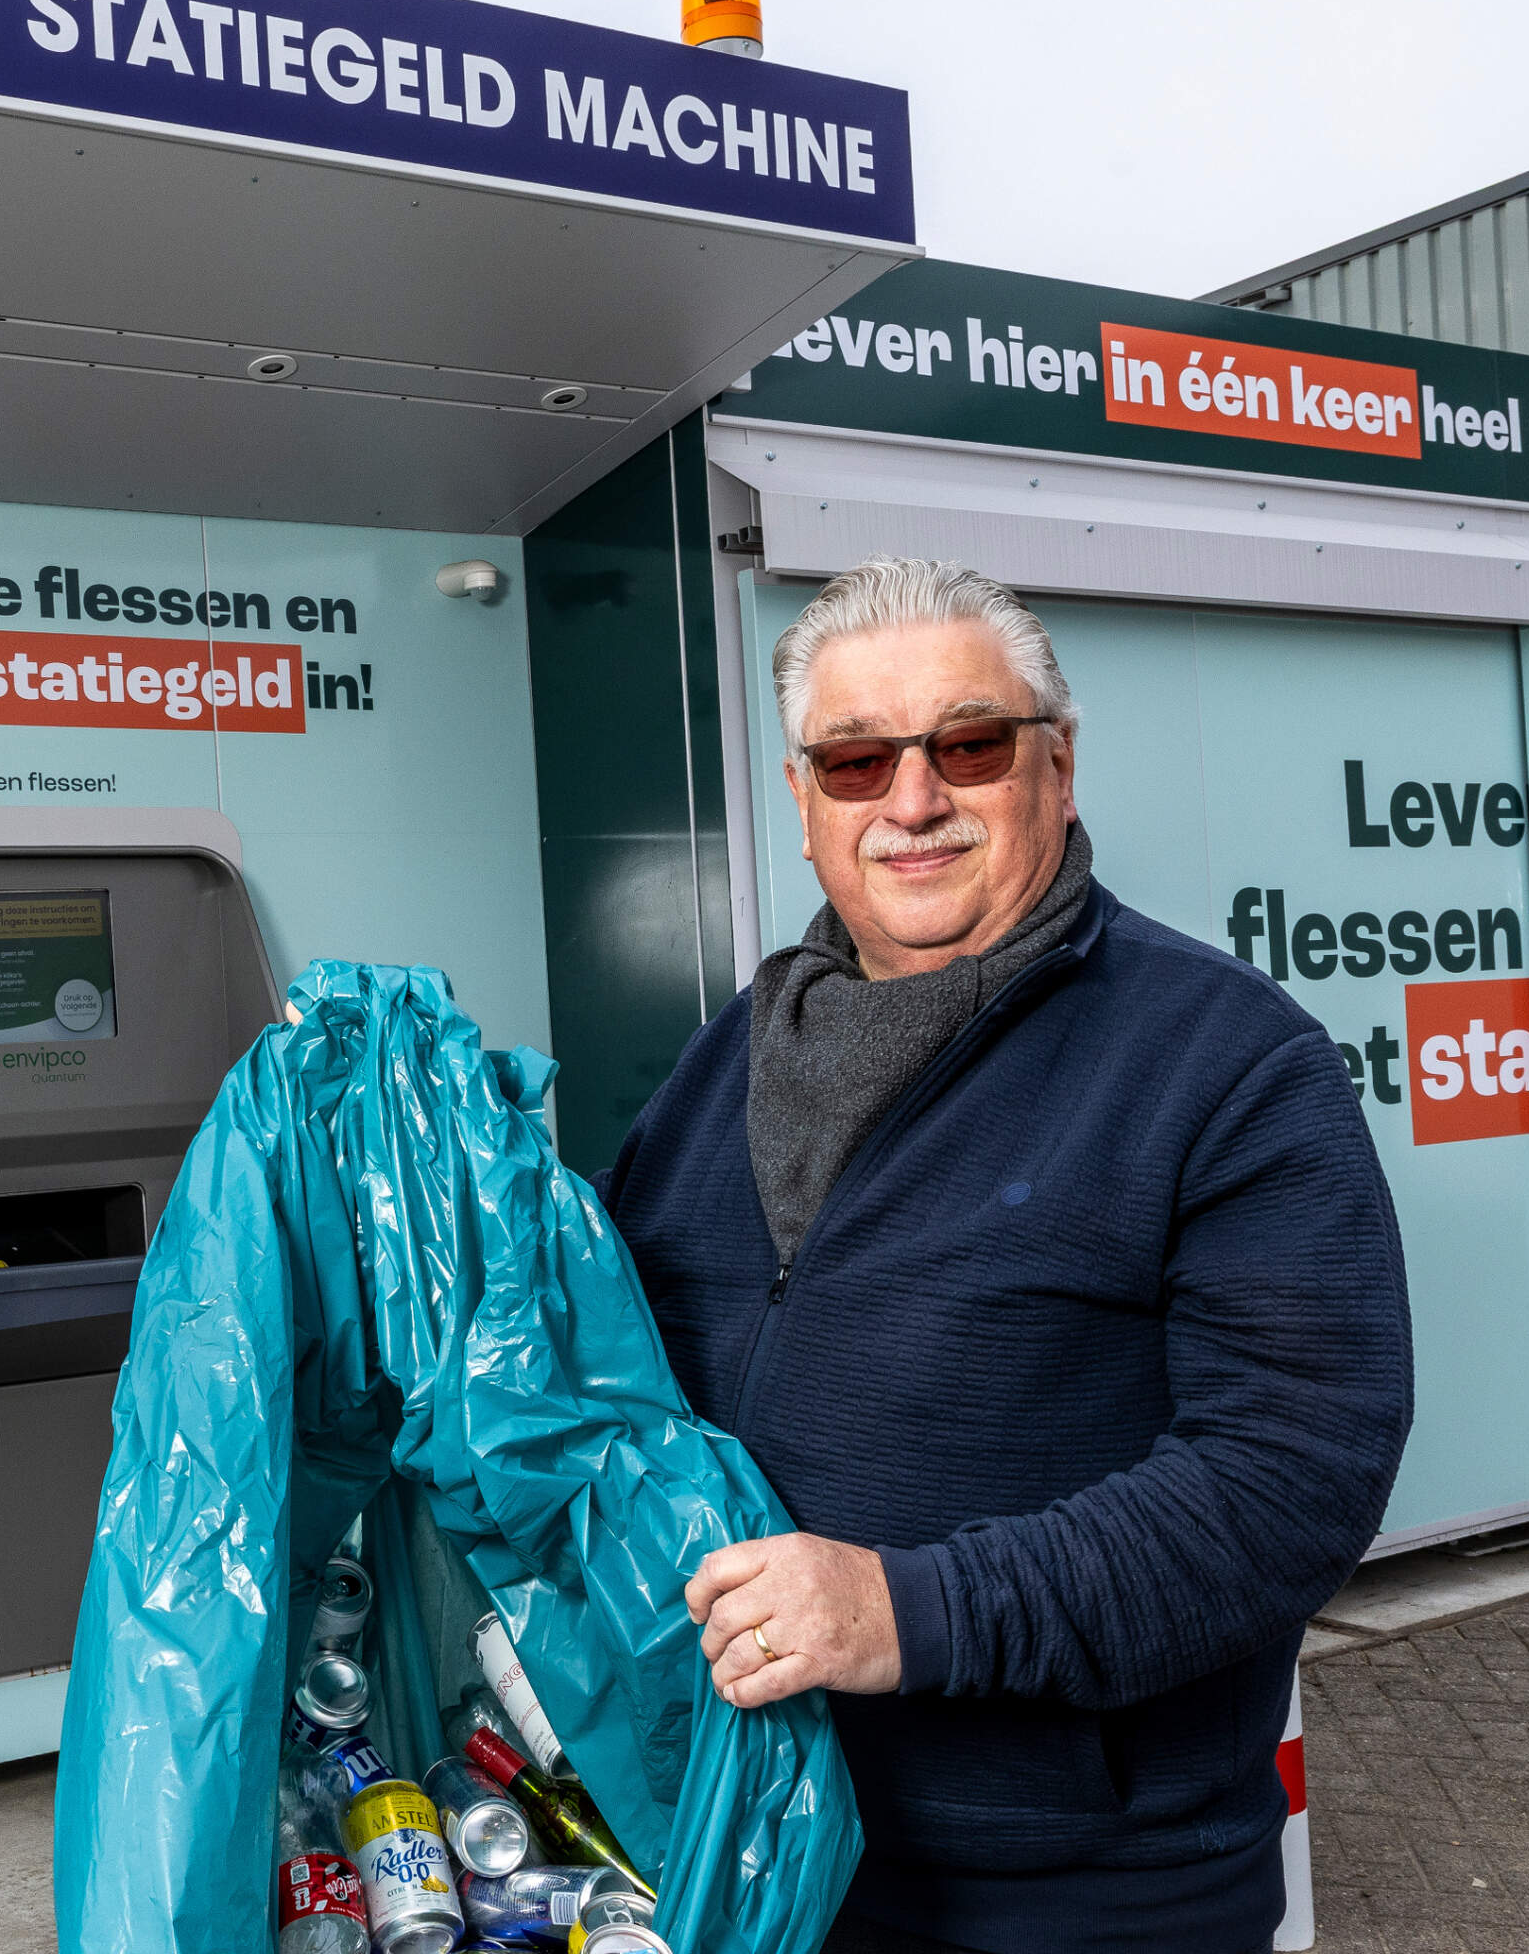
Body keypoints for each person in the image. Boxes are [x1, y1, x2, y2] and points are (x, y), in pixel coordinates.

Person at [596, 558, 1411, 1953]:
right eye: (855, 762)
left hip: (1078, 1895)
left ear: (1058, 764)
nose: (911, 800)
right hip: (747, 1852)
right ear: (803, 805)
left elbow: (1293, 1473)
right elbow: (605, 1358)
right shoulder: (727, 1060)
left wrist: (907, 1612)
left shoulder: (1222, 1061)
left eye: (966, 745)